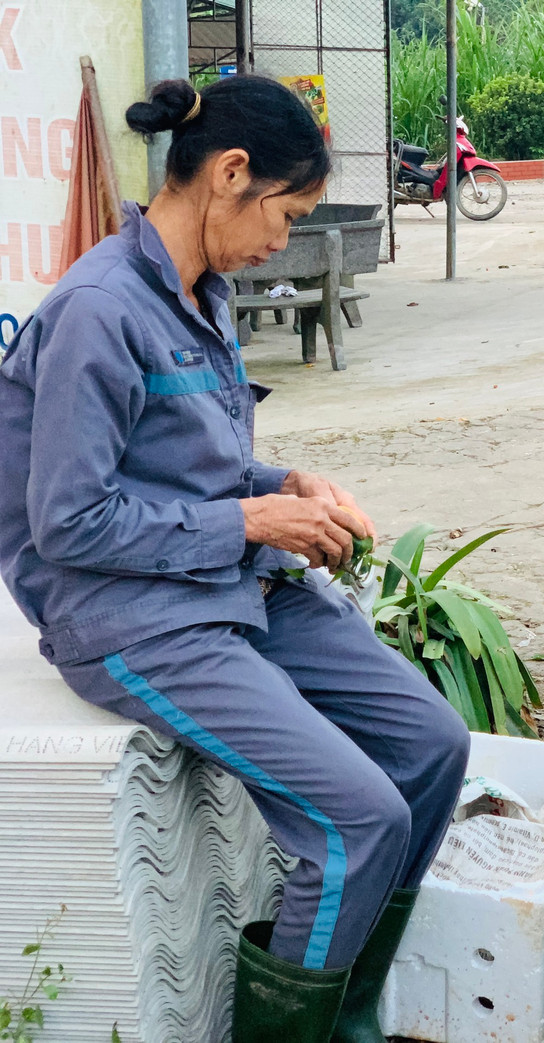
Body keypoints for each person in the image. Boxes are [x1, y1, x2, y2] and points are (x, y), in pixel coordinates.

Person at [0, 76, 470, 1043]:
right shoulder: (98, 310)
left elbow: (184, 462)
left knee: (433, 744)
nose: (281, 242)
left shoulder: (200, 293)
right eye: (286, 215)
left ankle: (345, 1012)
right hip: (126, 616)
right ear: (230, 174)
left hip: (219, 581)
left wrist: (284, 483)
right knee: (358, 821)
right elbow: (69, 523)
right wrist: (251, 520)